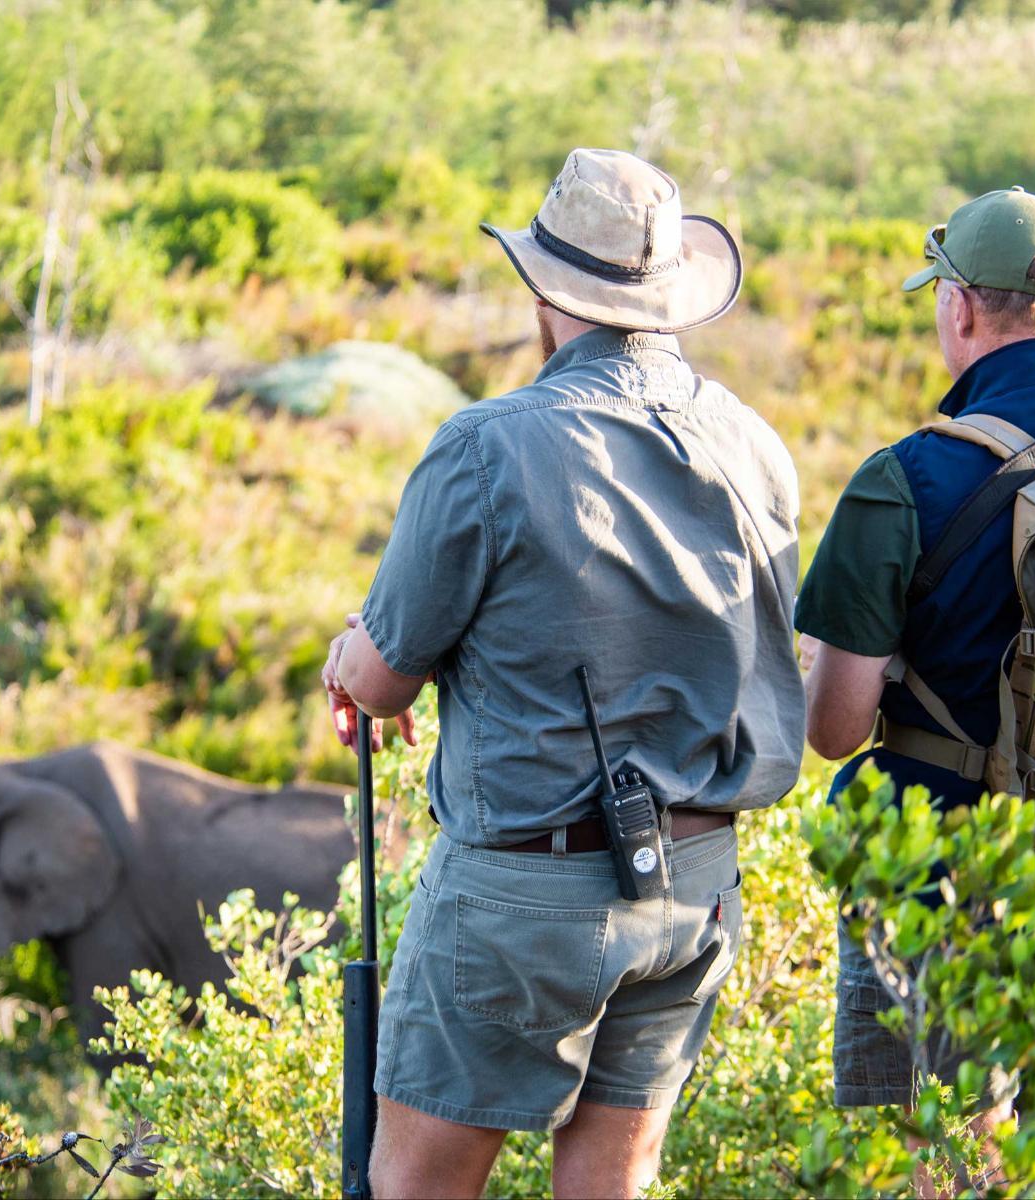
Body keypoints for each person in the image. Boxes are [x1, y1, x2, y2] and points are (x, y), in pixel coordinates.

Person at [320, 148, 805, 1200]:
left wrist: (349, 654)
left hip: (525, 894)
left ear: (546, 291)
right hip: (696, 888)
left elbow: (382, 680)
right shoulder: (754, 444)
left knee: (414, 1191)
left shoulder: (484, 447)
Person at [794, 187, 1035, 1127]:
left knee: (919, 1151)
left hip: (938, 881)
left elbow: (834, 731)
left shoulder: (904, 480)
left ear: (959, 308)